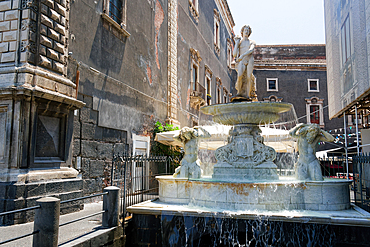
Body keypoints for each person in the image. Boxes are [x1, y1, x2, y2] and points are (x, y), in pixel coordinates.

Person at [233, 25, 256, 100]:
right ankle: (239, 92)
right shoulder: (239, 42)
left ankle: (247, 95)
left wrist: (242, 56)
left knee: (249, 77)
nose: (246, 32)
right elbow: (234, 54)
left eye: (248, 31)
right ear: (242, 32)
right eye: (245, 30)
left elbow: (251, 50)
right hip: (241, 61)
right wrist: (236, 43)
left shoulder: (252, 42)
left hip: (249, 59)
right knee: (240, 76)